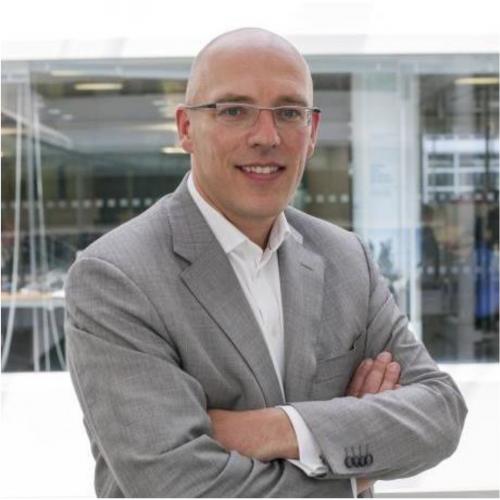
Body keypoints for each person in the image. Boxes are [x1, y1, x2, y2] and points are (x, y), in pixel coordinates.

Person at [65, 28, 467, 497]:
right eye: (234, 110)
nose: (266, 136)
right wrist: (351, 470)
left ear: (312, 133)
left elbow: (441, 412)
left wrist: (277, 428)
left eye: (289, 112)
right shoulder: (115, 277)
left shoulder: (346, 258)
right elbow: (175, 483)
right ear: (186, 128)